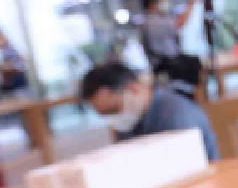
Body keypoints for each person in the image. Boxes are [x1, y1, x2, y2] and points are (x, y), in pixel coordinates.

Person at [79, 61, 220, 159]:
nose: (113, 119)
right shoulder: (130, 121)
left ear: (133, 89)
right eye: (105, 115)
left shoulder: (175, 116)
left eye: (114, 110)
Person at [0, 31, 29, 95]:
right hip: (7, 85)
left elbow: (21, 65)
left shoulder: (14, 49)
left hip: (19, 81)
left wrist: (9, 67)